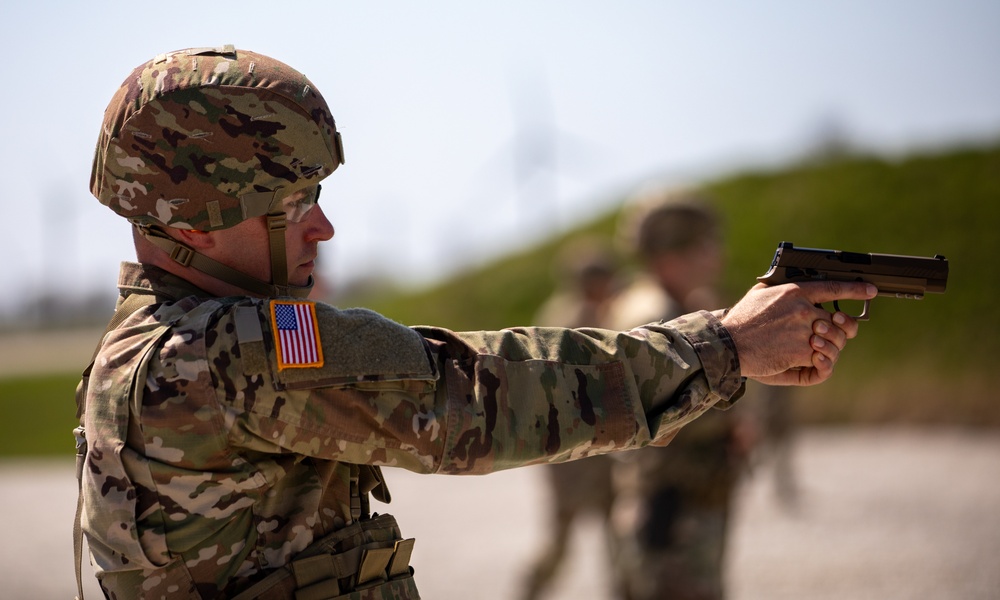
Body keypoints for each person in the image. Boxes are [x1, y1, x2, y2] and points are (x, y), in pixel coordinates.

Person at [73, 45, 874, 600]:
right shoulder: (228, 355)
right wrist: (727, 345)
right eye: (293, 206)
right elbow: (482, 395)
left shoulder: (141, 341)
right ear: (196, 219)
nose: (322, 230)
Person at [604, 187, 761, 600]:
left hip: (676, 506)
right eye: (706, 245)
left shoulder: (664, 305)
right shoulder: (657, 315)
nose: (717, 255)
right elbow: (655, 407)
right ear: (673, 255)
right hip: (673, 512)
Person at [520, 237, 625, 600]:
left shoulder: (567, 313)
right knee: (572, 537)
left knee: (607, 533)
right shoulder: (576, 319)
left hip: (580, 445)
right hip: (575, 448)